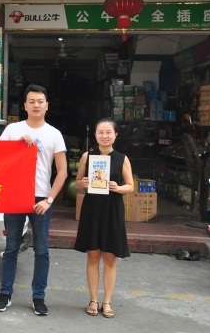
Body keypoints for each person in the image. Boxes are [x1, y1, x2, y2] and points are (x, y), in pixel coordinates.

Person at [0, 84, 68, 316]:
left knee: (41, 250)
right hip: (15, 195)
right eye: (32, 101)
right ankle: (5, 294)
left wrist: (49, 200)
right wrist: (16, 144)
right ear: (24, 105)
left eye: (40, 101)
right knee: (11, 248)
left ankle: (38, 297)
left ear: (47, 105)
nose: (36, 105)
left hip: (41, 197)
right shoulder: (13, 130)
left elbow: (62, 172)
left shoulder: (54, 134)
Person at [74, 118, 134, 318]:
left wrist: (118, 187)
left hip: (112, 209)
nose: (105, 136)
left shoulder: (122, 159)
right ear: (95, 135)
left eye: (109, 132)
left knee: (109, 257)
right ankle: (93, 299)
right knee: (93, 255)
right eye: (101, 132)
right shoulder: (87, 157)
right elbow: (77, 183)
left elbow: (130, 186)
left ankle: (107, 301)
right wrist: (83, 183)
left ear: (115, 135)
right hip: (92, 209)